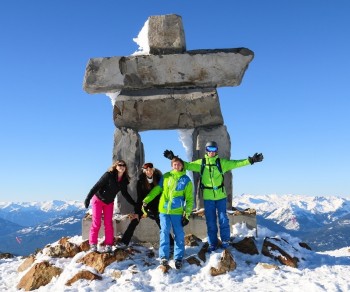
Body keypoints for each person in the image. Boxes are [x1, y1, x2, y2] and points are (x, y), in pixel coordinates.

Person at [164, 141, 263, 252]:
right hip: (208, 197)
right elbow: (186, 165)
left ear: (216, 151)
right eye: (209, 149)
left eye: (214, 149)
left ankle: (225, 241)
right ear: (206, 150)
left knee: (223, 219)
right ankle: (213, 243)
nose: (212, 152)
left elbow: (236, 163)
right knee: (210, 221)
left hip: (221, 196)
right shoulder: (201, 163)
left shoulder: (221, 163)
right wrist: (173, 158)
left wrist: (251, 160)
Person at [143, 157, 193, 269]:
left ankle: (178, 257)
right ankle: (164, 257)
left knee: (179, 234)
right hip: (164, 210)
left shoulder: (186, 180)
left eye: (179, 164)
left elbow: (189, 199)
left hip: (177, 212)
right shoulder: (166, 176)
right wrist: (147, 199)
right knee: (164, 232)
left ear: (182, 166)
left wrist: (187, 214)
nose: (177, 166)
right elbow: (157, 189)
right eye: (175, 164)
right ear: (172, 165)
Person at [84, 160, 136, 253]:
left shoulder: (124, 180)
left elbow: (125, 194)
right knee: (97, 223)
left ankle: (109, 244)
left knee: (108, 224)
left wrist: (134, 203)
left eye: (124, 165)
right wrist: (88, 198)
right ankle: (93, 244)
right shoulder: (108, 175)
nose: (122, 166)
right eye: (120, 165)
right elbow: (96, 186)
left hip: (109, 203)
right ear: (116, 166)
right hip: (98, 200)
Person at [117, 162, 165, 247]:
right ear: (144, 171)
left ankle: (171, 243)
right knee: (135, 219)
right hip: (144, 204)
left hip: (156, 204)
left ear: (153, 170)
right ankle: (124, 242)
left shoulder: (158, 179)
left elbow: (162, 194)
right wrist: (137, 211)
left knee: (160, 221)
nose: (149, 172)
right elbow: (140, 197)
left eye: (150, 170)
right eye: (146, 170)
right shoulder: (140, 181)